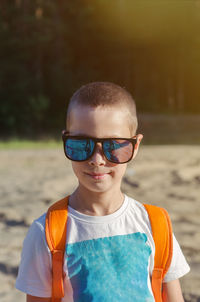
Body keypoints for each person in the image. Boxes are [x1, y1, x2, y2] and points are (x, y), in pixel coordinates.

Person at [16, 82, 190, 302]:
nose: (97, 160)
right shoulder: (47, 233)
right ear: (66, 140)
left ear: (135, 146)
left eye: (113, 146)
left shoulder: (156, 225)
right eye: (82, 144)